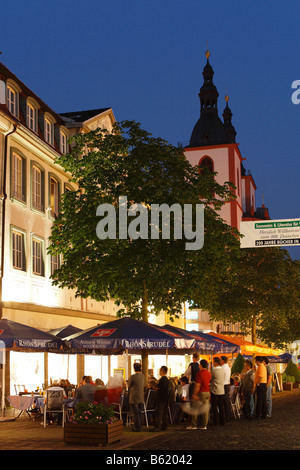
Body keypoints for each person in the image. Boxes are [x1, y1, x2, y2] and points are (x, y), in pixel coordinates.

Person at [190, 359, 211, 430]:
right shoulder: (208, 373)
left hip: (201, 392)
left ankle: (194, 425)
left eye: (199, 365)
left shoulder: (199, 374)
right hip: (207, 392)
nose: (199, 366)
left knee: (195, 409)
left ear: (201, 365)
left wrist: (195, 393)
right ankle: (204, 425)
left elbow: (198, 384)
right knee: (205, 410)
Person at [151, 366, 169, 432]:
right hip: (165, 398)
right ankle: (164, 426)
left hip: (161, 398)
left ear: (162, 371)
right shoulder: (166, 379)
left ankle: (157, 426)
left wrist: (156, 388)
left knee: (159, 412)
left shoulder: (162, 379)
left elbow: (160, 388)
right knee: (164, 412)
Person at [128, 363, 145, 432]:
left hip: (134, 397)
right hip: (141, 397)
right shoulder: (143, 376)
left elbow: (129, 385)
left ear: (134, 368)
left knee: (135, 413)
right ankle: (139, 426)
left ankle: (137, 427)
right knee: (139, 412)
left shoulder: (133, 377)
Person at [210, 357, 226, 426]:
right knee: (221, 406)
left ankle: (216, 421)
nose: (213, 363)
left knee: (214, 407)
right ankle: (222, 421)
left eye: (213, 362)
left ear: (216, 362)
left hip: (215, 390)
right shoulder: (223, 370)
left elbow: (210, 378)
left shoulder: (214, 370)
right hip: (222, 390)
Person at [220, 356, 232, 422]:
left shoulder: (222, 368)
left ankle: (226, 417)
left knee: (224, 402)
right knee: (226, 401)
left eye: (221, 360)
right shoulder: (228, 367)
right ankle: (228, 416)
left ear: (223, 361)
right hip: (227, 385)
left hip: (223, 385)